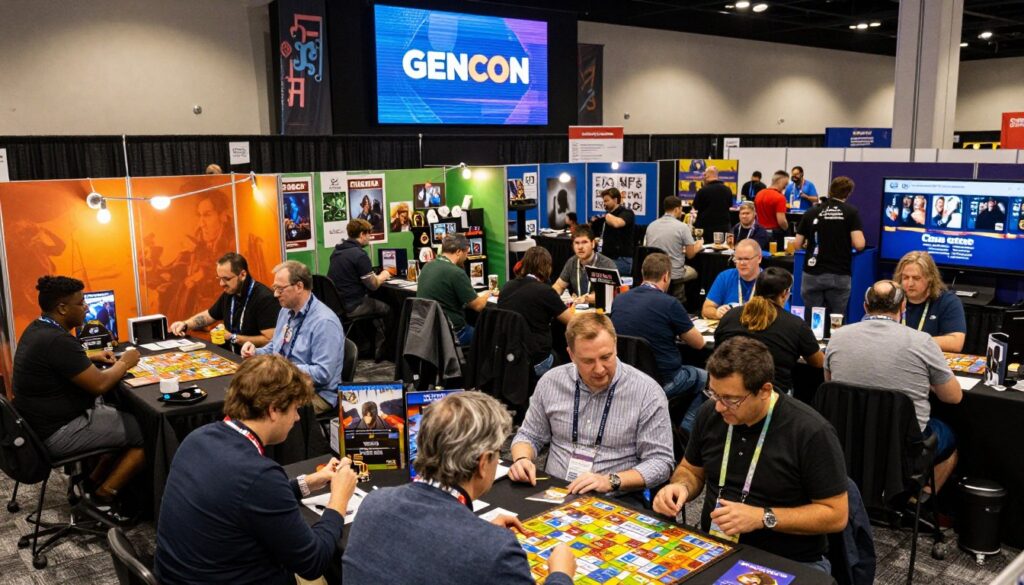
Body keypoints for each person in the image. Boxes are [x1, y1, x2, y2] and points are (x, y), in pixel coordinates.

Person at [154, 354, 358, 585]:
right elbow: (313, 562)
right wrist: (339, 500)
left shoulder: (198, 438)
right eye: (294, 408)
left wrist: (308, 482)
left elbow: (242, 499)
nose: (298, 418)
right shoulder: (258, 475)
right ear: (273, 410)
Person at [653, 337, 848, 572]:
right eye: (714, 393)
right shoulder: (711, 414)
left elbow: (836, 515)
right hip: (714, 546)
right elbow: (690, 470)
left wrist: (762, 517)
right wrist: (681, 487)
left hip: (787, 559)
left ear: (764, 391)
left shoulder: (811, 432)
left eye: (731, 399)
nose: (719, 406)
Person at [343, 392, 576, 585]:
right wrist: (561, 574)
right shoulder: (498, 551)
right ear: (483, 463)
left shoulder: (373, 502)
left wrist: (477, 532)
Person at [12, 276, 145, 508]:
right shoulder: (57, 341)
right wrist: (126, 362)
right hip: (56, 434)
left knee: (120, 413)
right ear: (62, 308)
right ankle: (103, 495)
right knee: (147, 431)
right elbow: (101, 384)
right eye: (81, 303)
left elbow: (58, 362)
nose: (87, 307)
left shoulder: (39, 328)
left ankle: (90, 482)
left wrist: (89, 357)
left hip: (36, 428)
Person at [510, 313, 675, 496]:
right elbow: (529, 435)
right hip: (554, 491)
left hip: (614, 498)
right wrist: (522, 459)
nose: (599, 369)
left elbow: (661, 462)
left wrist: (611, 481)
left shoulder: (647, 392)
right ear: (571, 355)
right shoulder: (551, 382)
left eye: (606, 357)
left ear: (615, 346)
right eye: (588, 361)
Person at [824, 280, 963, 492]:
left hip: (848, 440)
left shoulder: (838, 338)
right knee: (949, 437)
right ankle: (918, 499)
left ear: (865, 306)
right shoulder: (922, 342)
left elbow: (830, 385)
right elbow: (953, 397)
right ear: (903, 307)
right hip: (905, 447)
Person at [610, 254, 708, 432]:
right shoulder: (670, 303)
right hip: (665, 380)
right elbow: (699, 343)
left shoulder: (619, 300)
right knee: (708, 379)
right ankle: (686, 431)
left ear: (642, 273)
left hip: (627, 378)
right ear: (666, 276)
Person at [242, 260, 345, 415]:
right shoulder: (286, 311)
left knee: (261, 410)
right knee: (245, 395)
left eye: (280, 289)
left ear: (299, 286)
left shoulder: (324, 322)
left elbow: (323, 374)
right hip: (286, 384)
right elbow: (275, 347)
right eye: (274, 288)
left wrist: (282, 368)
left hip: (316, 394)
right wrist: (255, 352)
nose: (275, 294)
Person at [714, 268, 823, 393]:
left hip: (729, 389)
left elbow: (718, 350)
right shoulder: (795, 324)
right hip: (772, 395)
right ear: (785, 293)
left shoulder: (730, 315)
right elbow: (818, 362)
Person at [168, 252, 278, 354]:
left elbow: (270, 340)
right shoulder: (230, 292)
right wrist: (186, 324)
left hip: (254, 363)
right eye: (219, 278)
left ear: (243, 275)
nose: (221, 284)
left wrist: (233, 337)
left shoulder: (265, 298)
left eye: (226, 279)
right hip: (231, 356)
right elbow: (209, 316)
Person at [793, 176, 866, 320]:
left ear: (830, 190)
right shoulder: (851, 212)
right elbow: (859, 244)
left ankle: (813, 341)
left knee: (813, 318)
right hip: (839, 273)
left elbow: (796, 244)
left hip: (812, 273)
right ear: (848, 193)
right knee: (836, 318)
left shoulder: (811, 212)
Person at [498, 246, 572, 378]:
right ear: (547, 267)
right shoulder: (544, 291)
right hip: (536, 360)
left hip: (508, 358)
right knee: (564, 361)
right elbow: (572, 320)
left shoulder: (507, 286)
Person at [327, 219, 392, 359]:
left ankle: (365, 346)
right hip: (353, 305)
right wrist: (384, 275)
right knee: (387, 309)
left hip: (338, 305)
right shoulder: (359, 255)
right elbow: (373, 285)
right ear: (362, 234)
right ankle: (382, 352)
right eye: (369, 234)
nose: (370, 237)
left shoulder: (337, 252)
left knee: (372, 305)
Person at [416, 233, 492, 346]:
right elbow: (478, 306)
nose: (466, 257)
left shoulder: (428, 266)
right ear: (458, 252)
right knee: (489, 336)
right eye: (466, 252)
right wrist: (489, 293)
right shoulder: (456, 273)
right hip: (453, 332)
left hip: (427, 331)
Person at [894, 251, 967, 352]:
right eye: (905, 277)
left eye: (916, 278)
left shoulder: (948, 301)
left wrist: (913, 342)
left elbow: (956, 343)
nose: (910, 284)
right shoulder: (892, 297)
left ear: (930, 278)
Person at [644, 196, 703, 304]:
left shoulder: (651, 225)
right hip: (674, 273)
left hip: (654, 271)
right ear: (677, 209)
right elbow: (690, 255)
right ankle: (692, 304)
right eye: (681, 209)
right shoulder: (682, 227)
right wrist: (698, 246)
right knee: (695, 273)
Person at [552, 224, 617, 305]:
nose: (580, 247)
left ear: (593, 244)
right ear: (572, 246)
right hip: (578, 311)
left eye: (584, 242)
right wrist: (551, 296)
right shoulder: (572, 262)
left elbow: (608, 295)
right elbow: (559, 286)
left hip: (600, 312)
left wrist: (586, 299)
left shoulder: (607, 264)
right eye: (577, 243)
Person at [702, 239, 763, 319]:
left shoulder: (769, 280)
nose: (742, 263)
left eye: (746, 259)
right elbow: (706, 309)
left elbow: (780, 315)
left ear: (759, 258)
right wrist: (717, 313)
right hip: (731, 328)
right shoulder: (725, 277)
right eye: (739, 259)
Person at [591, 187, 636, 276]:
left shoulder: (627, 213)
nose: (604, 204)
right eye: (604, 201)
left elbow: (617, 223)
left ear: (615, 200)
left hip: (621, 259)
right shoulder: (607, 217)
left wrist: (607, 216)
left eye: (607, 201)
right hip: (607, 258)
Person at [692, 166, 734, 236]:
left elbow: (696, 207)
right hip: (723, 228)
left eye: (704, 175)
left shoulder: (702, 191)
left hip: (706, 228)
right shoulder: (727, 190)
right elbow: (730, 205)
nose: (703, 177)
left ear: (707, 175)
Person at [754, 170, 790, 247]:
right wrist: (787, 228)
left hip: (759, 232)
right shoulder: (780, 197)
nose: (785, 187)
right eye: (785, 184)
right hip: (774, 236)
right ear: (780, 182)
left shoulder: (759, 194)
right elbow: (781, 221)